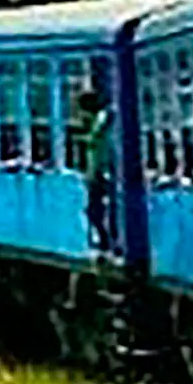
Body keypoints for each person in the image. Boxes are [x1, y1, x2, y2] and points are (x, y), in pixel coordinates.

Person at [73, 82, 116, 256]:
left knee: (96, 209)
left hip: (100, 172)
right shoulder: (99, 120)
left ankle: (105, 240)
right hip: (96, 172)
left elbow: (97, 144)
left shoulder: (102, 119)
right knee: (94, 209)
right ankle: (103, 238)